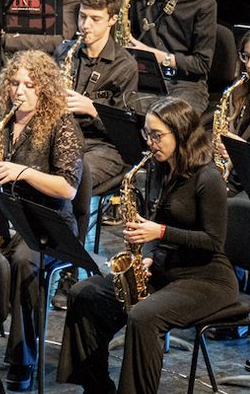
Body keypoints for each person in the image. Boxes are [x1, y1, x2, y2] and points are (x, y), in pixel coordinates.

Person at [57, 97, 237, 393]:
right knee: (84, 294)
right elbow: (152, 222)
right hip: (165, 271)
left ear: (180, 133)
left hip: (206, 278)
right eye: (147, 134)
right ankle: (96, 387)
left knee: (143, 317)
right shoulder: (158, 169)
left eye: (157, 135)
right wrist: (148, 256)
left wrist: (161, 233)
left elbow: (213, 242)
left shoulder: (208, 178)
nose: (150, 143)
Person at [0, 50, 84, 390]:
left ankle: (22, 358)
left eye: (30, 85)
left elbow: (68, 188)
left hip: (49, 226)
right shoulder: (2, 123)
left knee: (26, 264)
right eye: (14, 83)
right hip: (10, 219)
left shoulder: (62, 125)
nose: (19, 91)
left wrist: (23, 172)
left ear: (45, 89)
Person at [55, 0, 140, 212]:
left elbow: (126, 133)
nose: (85, 25)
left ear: (112, 20)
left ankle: (72, 241)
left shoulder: (125, 66)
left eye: (95, 19)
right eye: (82, 17)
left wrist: (93, 109)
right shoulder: (65, 52)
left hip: (102, 146)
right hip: (64, 138)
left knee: (70, 176)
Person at [125, 0, 217, 112]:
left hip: (185, 84)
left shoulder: (204, 3)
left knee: (168, 119)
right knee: (116, 105)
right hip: (144, 75)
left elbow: (202, 64)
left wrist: (156, 56)